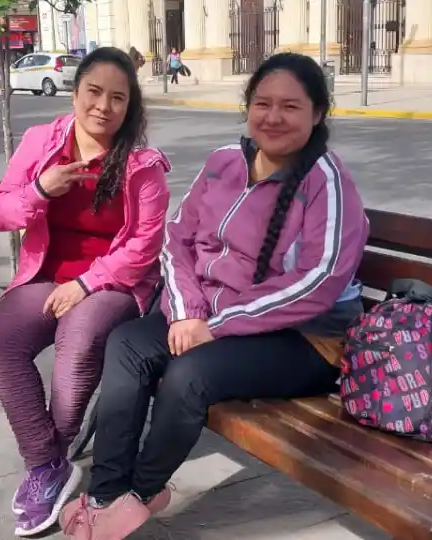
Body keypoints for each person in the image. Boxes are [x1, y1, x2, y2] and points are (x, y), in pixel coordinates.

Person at [58, 52, 369, 539]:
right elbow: (176, 239)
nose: (273, 116)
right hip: (212, 317)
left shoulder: (326, 182)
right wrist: (186, 312)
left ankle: (138, 495)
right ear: (247, 107)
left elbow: (317, 283)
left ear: (318, 114)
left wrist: (213, 326)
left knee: (189, 375)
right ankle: (105, 493)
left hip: (304, 340)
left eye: (290, 106)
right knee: (127, 343)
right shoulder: (225, 162)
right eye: (262, 103)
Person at [0, 46, 170, 538]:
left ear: (130, 107)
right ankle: (47, 464)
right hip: (47, 272)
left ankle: (55, 451)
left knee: (80, 336)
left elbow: (144, 248)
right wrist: (41, 190)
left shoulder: (142, 165)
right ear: (75, 91)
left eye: (117, 98)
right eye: (94, 92)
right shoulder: (43, 142)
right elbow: (0, 211)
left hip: (115, 281)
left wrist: (85, 284)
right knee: (3, 340)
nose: (103, 106)